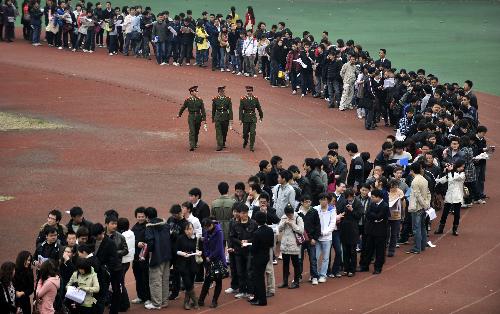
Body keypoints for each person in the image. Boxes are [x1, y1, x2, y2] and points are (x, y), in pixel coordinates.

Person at [144, 207, 172, 310]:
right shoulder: (165, 225)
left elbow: (150, 243)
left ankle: (156, 303)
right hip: (167, 255)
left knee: (155, 280)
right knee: (165, 279)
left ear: (147, 217)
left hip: (157, 256)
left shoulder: (149, 227)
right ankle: (164, 301)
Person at [91, 223, 121, 314]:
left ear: (102, 232)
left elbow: (114, 259)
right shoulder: (92, 240)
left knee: (109, 293)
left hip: (108, 273)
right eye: (95, 236)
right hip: (96, 272)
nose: (96, 237)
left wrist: (104, 268)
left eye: (98, 235)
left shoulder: (110, 243)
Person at [230, 203, 258, 299]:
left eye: (245, 213)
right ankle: (242, 291)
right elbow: (232, 237)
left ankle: (251, 292)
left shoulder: (253, 224)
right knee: (240, 272)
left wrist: (248, 241)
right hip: (238, 252)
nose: (244, 215)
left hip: (249, 251)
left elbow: (256, 237)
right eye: (242, 213)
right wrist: (239, 242)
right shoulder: (235, 224)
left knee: (249, 272)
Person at [358, 189, 389, 274]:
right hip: (371, 230)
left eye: (373, 197)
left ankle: (378, 268)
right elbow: (368, 214)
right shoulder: (372, 204)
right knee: (368, 249)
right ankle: (365, 266)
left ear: (378, 197)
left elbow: (379, 216)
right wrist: (375, 217)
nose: (371, 198)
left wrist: (374, 216)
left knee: (379, 251)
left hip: (380, 232)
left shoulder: (385, 206)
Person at [198, 219, 226, 308]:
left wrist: (210, 256)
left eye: (207, 228)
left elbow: (219, 248)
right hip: (208, 259)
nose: (206, 230)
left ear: (211, 225)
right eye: (205, 228)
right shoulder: (206, 232)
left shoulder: (219, 232)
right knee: (207, 279)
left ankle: (214, 300)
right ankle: (201, 300)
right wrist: (206, 255)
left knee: (218, 279)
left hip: (218, 259)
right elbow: (205, 244)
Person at [249, 211, 274, 306]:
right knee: (258, 278)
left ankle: (262, 300)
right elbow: (271, 244)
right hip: (266, 256)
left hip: (258, 258)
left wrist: (249, 246)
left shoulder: (257, 233)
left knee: (258, 279)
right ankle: (256, 297)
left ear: (256, 221)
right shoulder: (269, 230)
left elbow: (254, 249)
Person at [434, 160, 466, 236]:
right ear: (457, 166)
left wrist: (451, 171)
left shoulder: (462, 174)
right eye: (461, 166)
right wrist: (443, 172)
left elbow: (456, 178)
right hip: (449, 196)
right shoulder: (449, 174)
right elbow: (441, 180)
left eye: (463, 167)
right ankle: (440, 228)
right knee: (444, 213)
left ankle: (455, 229)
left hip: (457, 196)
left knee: (457, 214)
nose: (462, 168)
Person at [406, 162, 431, 254]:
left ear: (412, 170)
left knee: (416, 229)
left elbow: (417, 195)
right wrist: (427, 204)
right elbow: (428, 193)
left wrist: (423, 205)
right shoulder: (424, 179)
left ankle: (417, 247)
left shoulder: (415, 181)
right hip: (423, 207)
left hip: (417, 207)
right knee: (422, 227)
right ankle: (423, 245)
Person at [174, 222, 200, 310]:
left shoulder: (195, 238)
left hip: (192, 263)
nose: (190, 231)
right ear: (184, 230)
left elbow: (196, 249)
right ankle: (195, 301)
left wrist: (198, 252)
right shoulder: (180, 238)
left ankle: (186, 302)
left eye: (191, 228)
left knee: (191, 283)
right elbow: (175, 250)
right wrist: (182, 253)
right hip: (183, 263)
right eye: (188, 229)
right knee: (187, 283)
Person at [278, 204, 304, 289]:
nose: (289, 216)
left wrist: (292, 224)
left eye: (290, 214)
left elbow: (301, 231)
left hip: (294, 245)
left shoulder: (298, 218)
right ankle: (285, 281)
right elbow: (279, 228)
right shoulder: (283, 217)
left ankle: (296, 282)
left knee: (295, 264)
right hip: (285, 244)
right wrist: (284, 223)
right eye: (287, 214)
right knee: (285, 264)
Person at [297, 194, 321, 284]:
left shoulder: (314, 211)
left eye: (309, 201)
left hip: (311, 239)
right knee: (299, 259)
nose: (308, 203)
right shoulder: (297, 212)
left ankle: (314, 276)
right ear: (301, 202)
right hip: (300, 239)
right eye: (306, 202)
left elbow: (318, 226)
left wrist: (315, 238)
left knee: (313, 259)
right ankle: (298, 276)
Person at [339, 189, 363, 276]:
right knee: (345, 250)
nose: (349, 199)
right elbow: (339, 211)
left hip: (353, 229)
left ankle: (352, 269)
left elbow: (359, 215)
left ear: (353, 195)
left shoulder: (358, 203)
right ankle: (346, 268)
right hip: (344, 228)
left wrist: (352, 210)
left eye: (350, 197)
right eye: (347, 197)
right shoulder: (343, 202)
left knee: (352, 250)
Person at [314, 193, 336, 282]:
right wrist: (317, 233)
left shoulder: (332, 210)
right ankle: (314, 274)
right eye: (321, 199)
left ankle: (323, 275)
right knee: (315, 256)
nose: (323, 201)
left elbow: (332, 224)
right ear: (319, 200)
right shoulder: (315, 209)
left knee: (325, 258)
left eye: (325, 199)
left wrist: (324, 233)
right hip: (317, 237)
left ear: (328, 200)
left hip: (327, 238)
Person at [178, 86, 207, 151]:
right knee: (192, 131)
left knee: (196, 131)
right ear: (191, 92)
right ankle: (192, 145)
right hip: (191, 116)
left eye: (196, 91)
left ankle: (195, 142)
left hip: (198, 117)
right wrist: (179, 114)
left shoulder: (200, 100)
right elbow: (183, 107)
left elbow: (203, 110)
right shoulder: (188, 100)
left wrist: (204, 119)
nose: (196, 92)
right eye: (195, 91)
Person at [131, 207, 150, 304]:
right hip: (136, 258)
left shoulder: (148, 227)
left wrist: (143, 243)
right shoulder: (134, 228)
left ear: (146, 217)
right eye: (139, 216)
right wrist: (137, 243)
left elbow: (149, 241)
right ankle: (140, 296)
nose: (140, 218)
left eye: (142, 216)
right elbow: (131, 241)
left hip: (145, 258)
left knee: (145, 278)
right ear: (136, 217)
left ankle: (147, 298)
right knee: (137, 277)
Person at [239, 86, 263, 152]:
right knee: (245, 133)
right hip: (246, 118)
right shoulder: (243, 99)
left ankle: (251, 146)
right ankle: (246, 140)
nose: (249, 92)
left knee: (252, 133)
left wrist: (261, 116)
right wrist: (240, 119)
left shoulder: (255, 99)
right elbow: (240, 109)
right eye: (248, 91)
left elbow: (259, 108)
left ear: (252, 91)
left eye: (250, 91)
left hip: (252, 118)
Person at [117, 217, 135, 311]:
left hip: (122, 262)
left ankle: (124, 304)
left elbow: (124, 250)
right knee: (121, 283)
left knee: (120, 284)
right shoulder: (131, 233)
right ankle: (125, 304)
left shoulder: (122, 236)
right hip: (127, 261)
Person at [387, 179, 405, 257]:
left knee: (394, 234)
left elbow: (403, 203)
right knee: (386, 233)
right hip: (387, 216)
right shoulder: (386, 192)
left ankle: (391, 250)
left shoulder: (400, 192)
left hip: (396, 216)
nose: (393, 189)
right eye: (391, 187)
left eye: (394, 187)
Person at [212, 86, 233, 151]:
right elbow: (213, 109)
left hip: (225, 116)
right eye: (221, 91)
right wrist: (213, 118)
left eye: (223, 91)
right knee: (218, 132)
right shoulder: (215, 99)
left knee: (224, 131)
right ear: (218, 92)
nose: (222, 92)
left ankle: (223, 142)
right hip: (218, 116)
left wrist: (231, 119)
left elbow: (230, 109)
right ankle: (219, 145)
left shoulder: (228, 99)